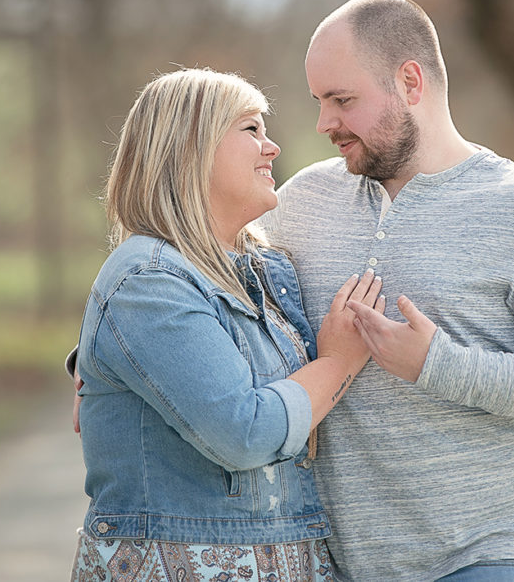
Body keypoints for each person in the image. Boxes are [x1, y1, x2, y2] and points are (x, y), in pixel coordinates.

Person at [256, 0, 514, 581]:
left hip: (492, 553)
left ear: (409, 82)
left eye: (342, 100)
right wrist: (100, 358)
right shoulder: (300, 202)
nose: (325, 123)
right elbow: (203, 281)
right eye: (319, 102)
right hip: (340, 561)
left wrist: (436, 364)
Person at [68, 67, 384, 582]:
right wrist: (340, 362)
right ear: (188, 148)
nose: (272, 147)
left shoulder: (262, 266)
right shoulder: (147, 278)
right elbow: (244, 432)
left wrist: (92, 358)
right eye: (251, 129)